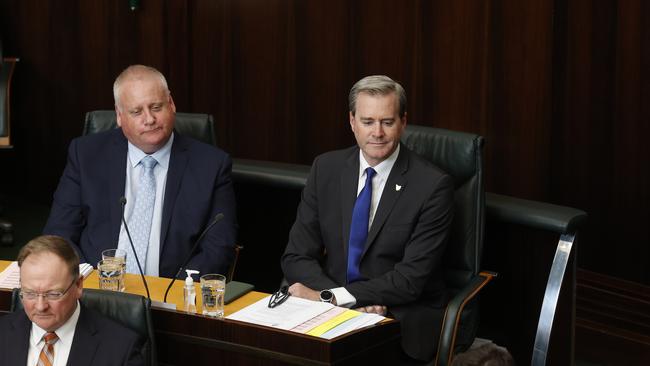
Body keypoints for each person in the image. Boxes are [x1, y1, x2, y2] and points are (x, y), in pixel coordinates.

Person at [281, 75, 454, 363]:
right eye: (367, 121)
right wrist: (335, 301)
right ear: (352, 122)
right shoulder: (326, 168)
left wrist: (335, 298)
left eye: (387, 122)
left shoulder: (432, 186)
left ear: (403, 122)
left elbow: (409, 280)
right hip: (331, 308)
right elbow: (296, 255)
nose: (377, 132)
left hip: (397, 316)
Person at [44, 65, 237, 278]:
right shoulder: (86, 155)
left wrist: (175, 291)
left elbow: (219, 247)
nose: (149, 119)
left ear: (171, 104)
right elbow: (59, 233)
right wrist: (85, 283)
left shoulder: (211, 165)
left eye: (156, 107)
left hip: (171, 296)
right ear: (119, 115)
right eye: (136, 111)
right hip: (96, 291)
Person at [0, 235, 144, 365]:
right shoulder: (3, 332)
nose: (40, 306)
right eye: (30, 293)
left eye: (53, 294)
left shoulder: (122, 349)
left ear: (78, 285)